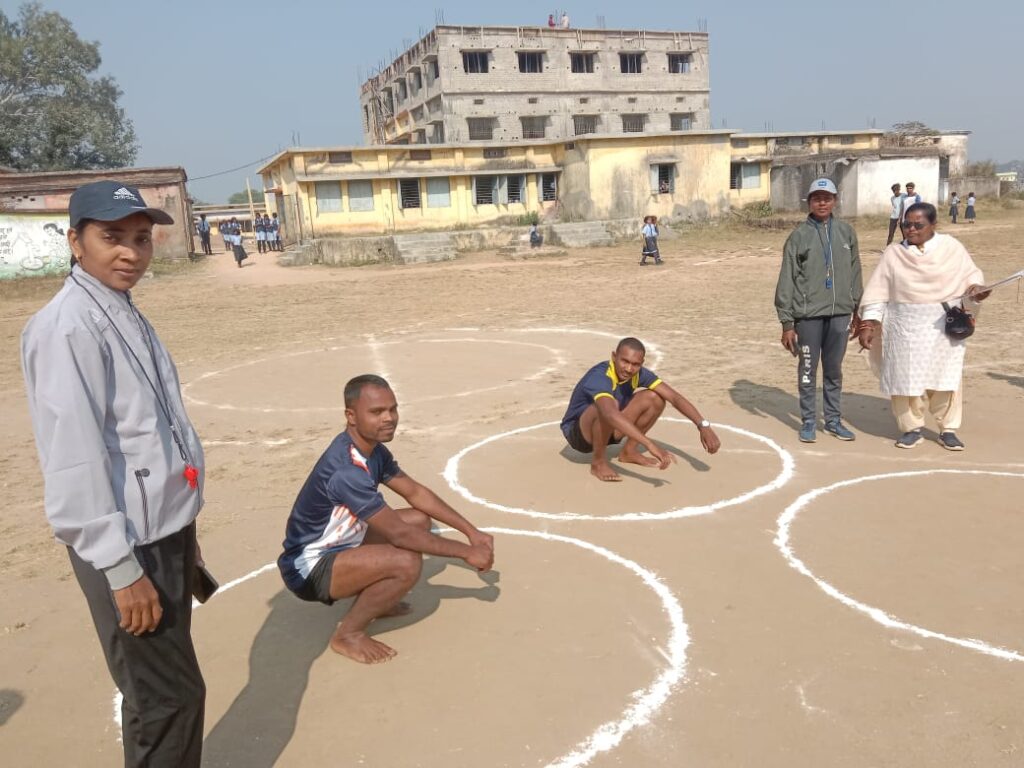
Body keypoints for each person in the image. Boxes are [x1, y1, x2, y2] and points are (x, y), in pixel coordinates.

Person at [21, 180, 207, 767]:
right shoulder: (67, 327)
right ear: (76, 242)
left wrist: (185, 538)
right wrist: (122, 569)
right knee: (168, 700)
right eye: (111, 237)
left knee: (161, 694)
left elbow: (149, 428)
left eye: (141, 238)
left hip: (162, 533)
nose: (130, 253)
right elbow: (73, 457)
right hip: (126, 546)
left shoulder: (118, 307)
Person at [278, 374, 495, 663]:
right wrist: (467, 552)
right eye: (377, 412)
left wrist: (472, 532)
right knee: (406, 562)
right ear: (350, 416)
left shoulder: (373, 451)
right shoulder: (347, 471)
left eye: (392, 409)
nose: (389, 418)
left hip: (342, 541)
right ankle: (348, 635)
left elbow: (416, 492)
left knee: (418, 520)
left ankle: (376, 600)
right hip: (309, 567)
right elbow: (399, 537)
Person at [856, 202, 990, 450]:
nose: (911, 229)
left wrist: (976, 291)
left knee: (946, 378)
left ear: (933, 225)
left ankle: (948, 429)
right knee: (905, 379)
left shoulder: (951, 248)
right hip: (904, 328)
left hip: (943, 327)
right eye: (906, 224)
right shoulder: (893, 254)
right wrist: (868, 324)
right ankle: (911, 428)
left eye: (918, 225)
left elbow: (972, 279)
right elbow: (878, 293)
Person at [774, 177, 863, 443]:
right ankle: (809, 421)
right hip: (808, 316)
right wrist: (787, 322)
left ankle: (834, 420)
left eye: (827, 197)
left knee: (834, 369)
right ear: (809, 202)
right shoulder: (798, 236)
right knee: (808, 369)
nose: (822, 202)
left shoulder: (847, 232)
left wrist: (858, 310)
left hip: (840, 315)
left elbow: (856, 272)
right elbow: (787, 277)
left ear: (835, 200)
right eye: (817, 198)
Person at [560, 337, 721, 482]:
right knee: (609, 406)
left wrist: (703, 425)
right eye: (625, 361)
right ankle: (598, 463)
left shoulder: (640, 374)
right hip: (580, 434)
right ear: (614, 356)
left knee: (655, 398)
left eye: (635, 364)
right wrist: (650, 445)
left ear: (641, 364)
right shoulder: (600, 376)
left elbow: (674, 397)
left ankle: (629, 452)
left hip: (610, 426)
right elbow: (609, 413)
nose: (629, 369)